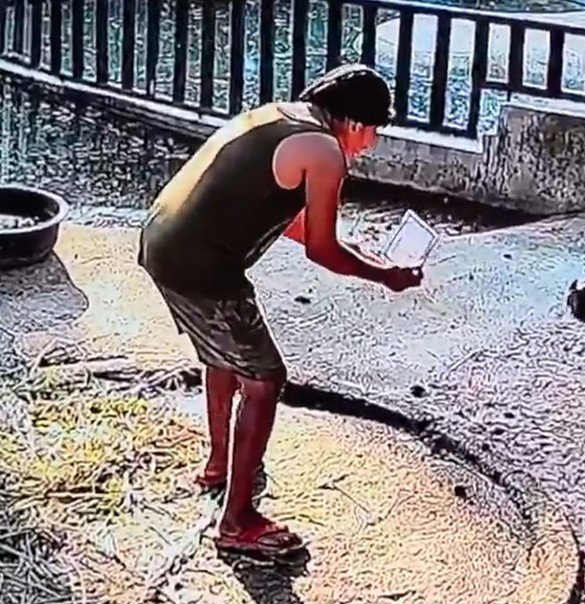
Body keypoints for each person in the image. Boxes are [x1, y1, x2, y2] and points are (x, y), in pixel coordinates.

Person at [138, 63, 421, 561]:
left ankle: (219, 466)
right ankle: (237, 523)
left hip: (163, 240)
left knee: (225, 355)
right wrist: (385, 276)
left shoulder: (280, 117)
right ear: (356, 122)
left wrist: (359, 250)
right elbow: (321, 251)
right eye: (374, 131)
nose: (371, 143)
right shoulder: (325, 151)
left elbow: (276, 211)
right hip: (201, 266)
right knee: (265, 380)